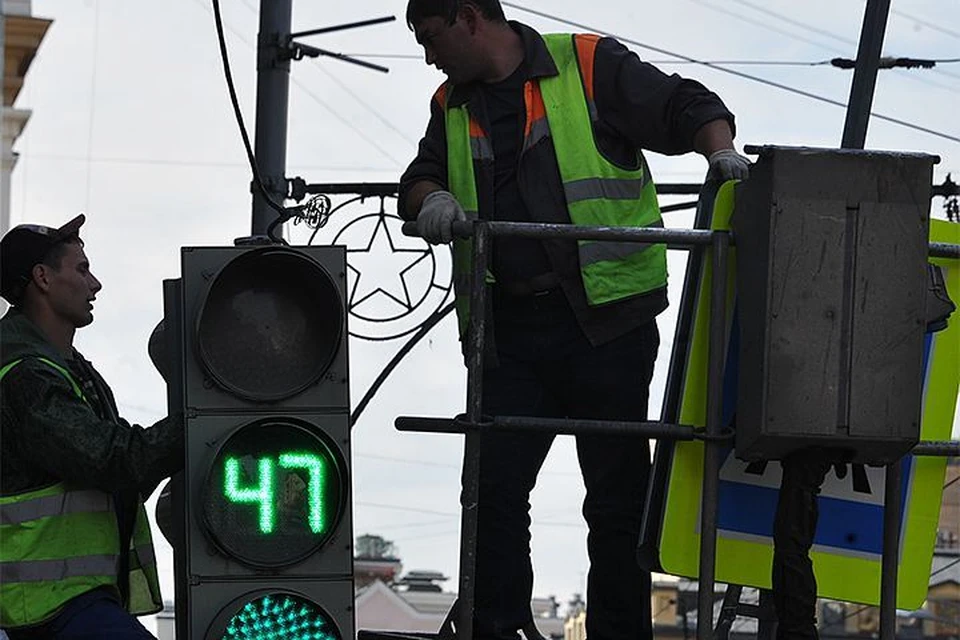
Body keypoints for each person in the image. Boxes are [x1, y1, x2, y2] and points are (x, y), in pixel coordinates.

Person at [398, 2, 750, 639]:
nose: (428, 56)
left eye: (430, 37)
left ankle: (619, 633)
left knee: (617, 498)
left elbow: (686, 105)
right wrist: (433, 197)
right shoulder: (451, 103)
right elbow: (420, 178)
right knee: (491, 493)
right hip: (509, 331)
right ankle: (496, 628)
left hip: (606, 324)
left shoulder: (585, 64)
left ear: (469, 17)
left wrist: (722, 155)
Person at [0, 215, 183, 639]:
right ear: (43, 278)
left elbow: (123, 473)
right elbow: (112, 459)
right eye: (82, 269)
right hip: (46, 608)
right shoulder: (25, 375)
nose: (95, 284)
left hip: (72, 601)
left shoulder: (71, 372)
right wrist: (200, 424)